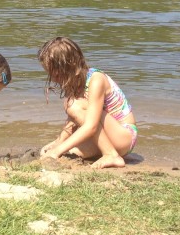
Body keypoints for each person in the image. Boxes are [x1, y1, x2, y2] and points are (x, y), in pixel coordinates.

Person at [37, 37, 137, 169]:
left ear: (69, 67)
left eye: (55, 75)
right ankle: (109, 152)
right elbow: (73, 120)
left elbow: (91, 126)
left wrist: (57, 151)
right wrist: (58, 142)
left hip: (124, 135)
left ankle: (111, 154)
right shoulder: (75, 81)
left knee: (72, 105)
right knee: (69, 153)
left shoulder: (96, 80)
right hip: (109, 137)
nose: (54, 80)